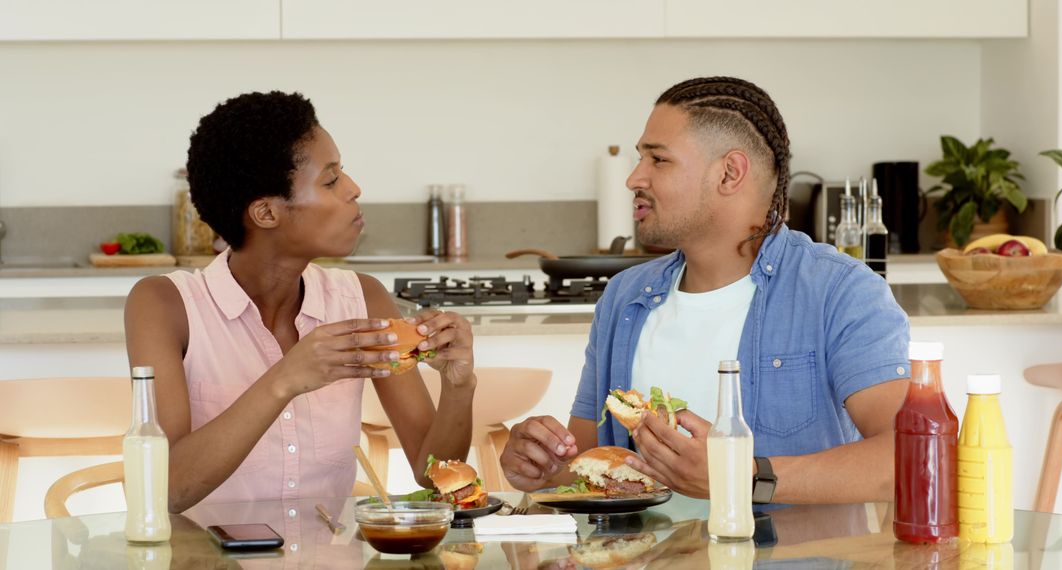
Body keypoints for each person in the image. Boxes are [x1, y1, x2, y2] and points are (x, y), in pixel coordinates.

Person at [500, 76, 910, 504]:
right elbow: (584, 464)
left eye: (659, 160)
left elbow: (908, 456)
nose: (634, 178)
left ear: (729, 173)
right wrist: (542, 466)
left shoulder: (840, 292)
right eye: (641, 158)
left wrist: (741, 476)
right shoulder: (624, 298)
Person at [125, 91, 477, 513]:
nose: (354, 189)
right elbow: (164, 491)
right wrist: (286, 378)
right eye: (330, 180)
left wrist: (458, 386)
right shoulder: (164, 305)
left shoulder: (362, 298)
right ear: (266, 214)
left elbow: (432, 474)